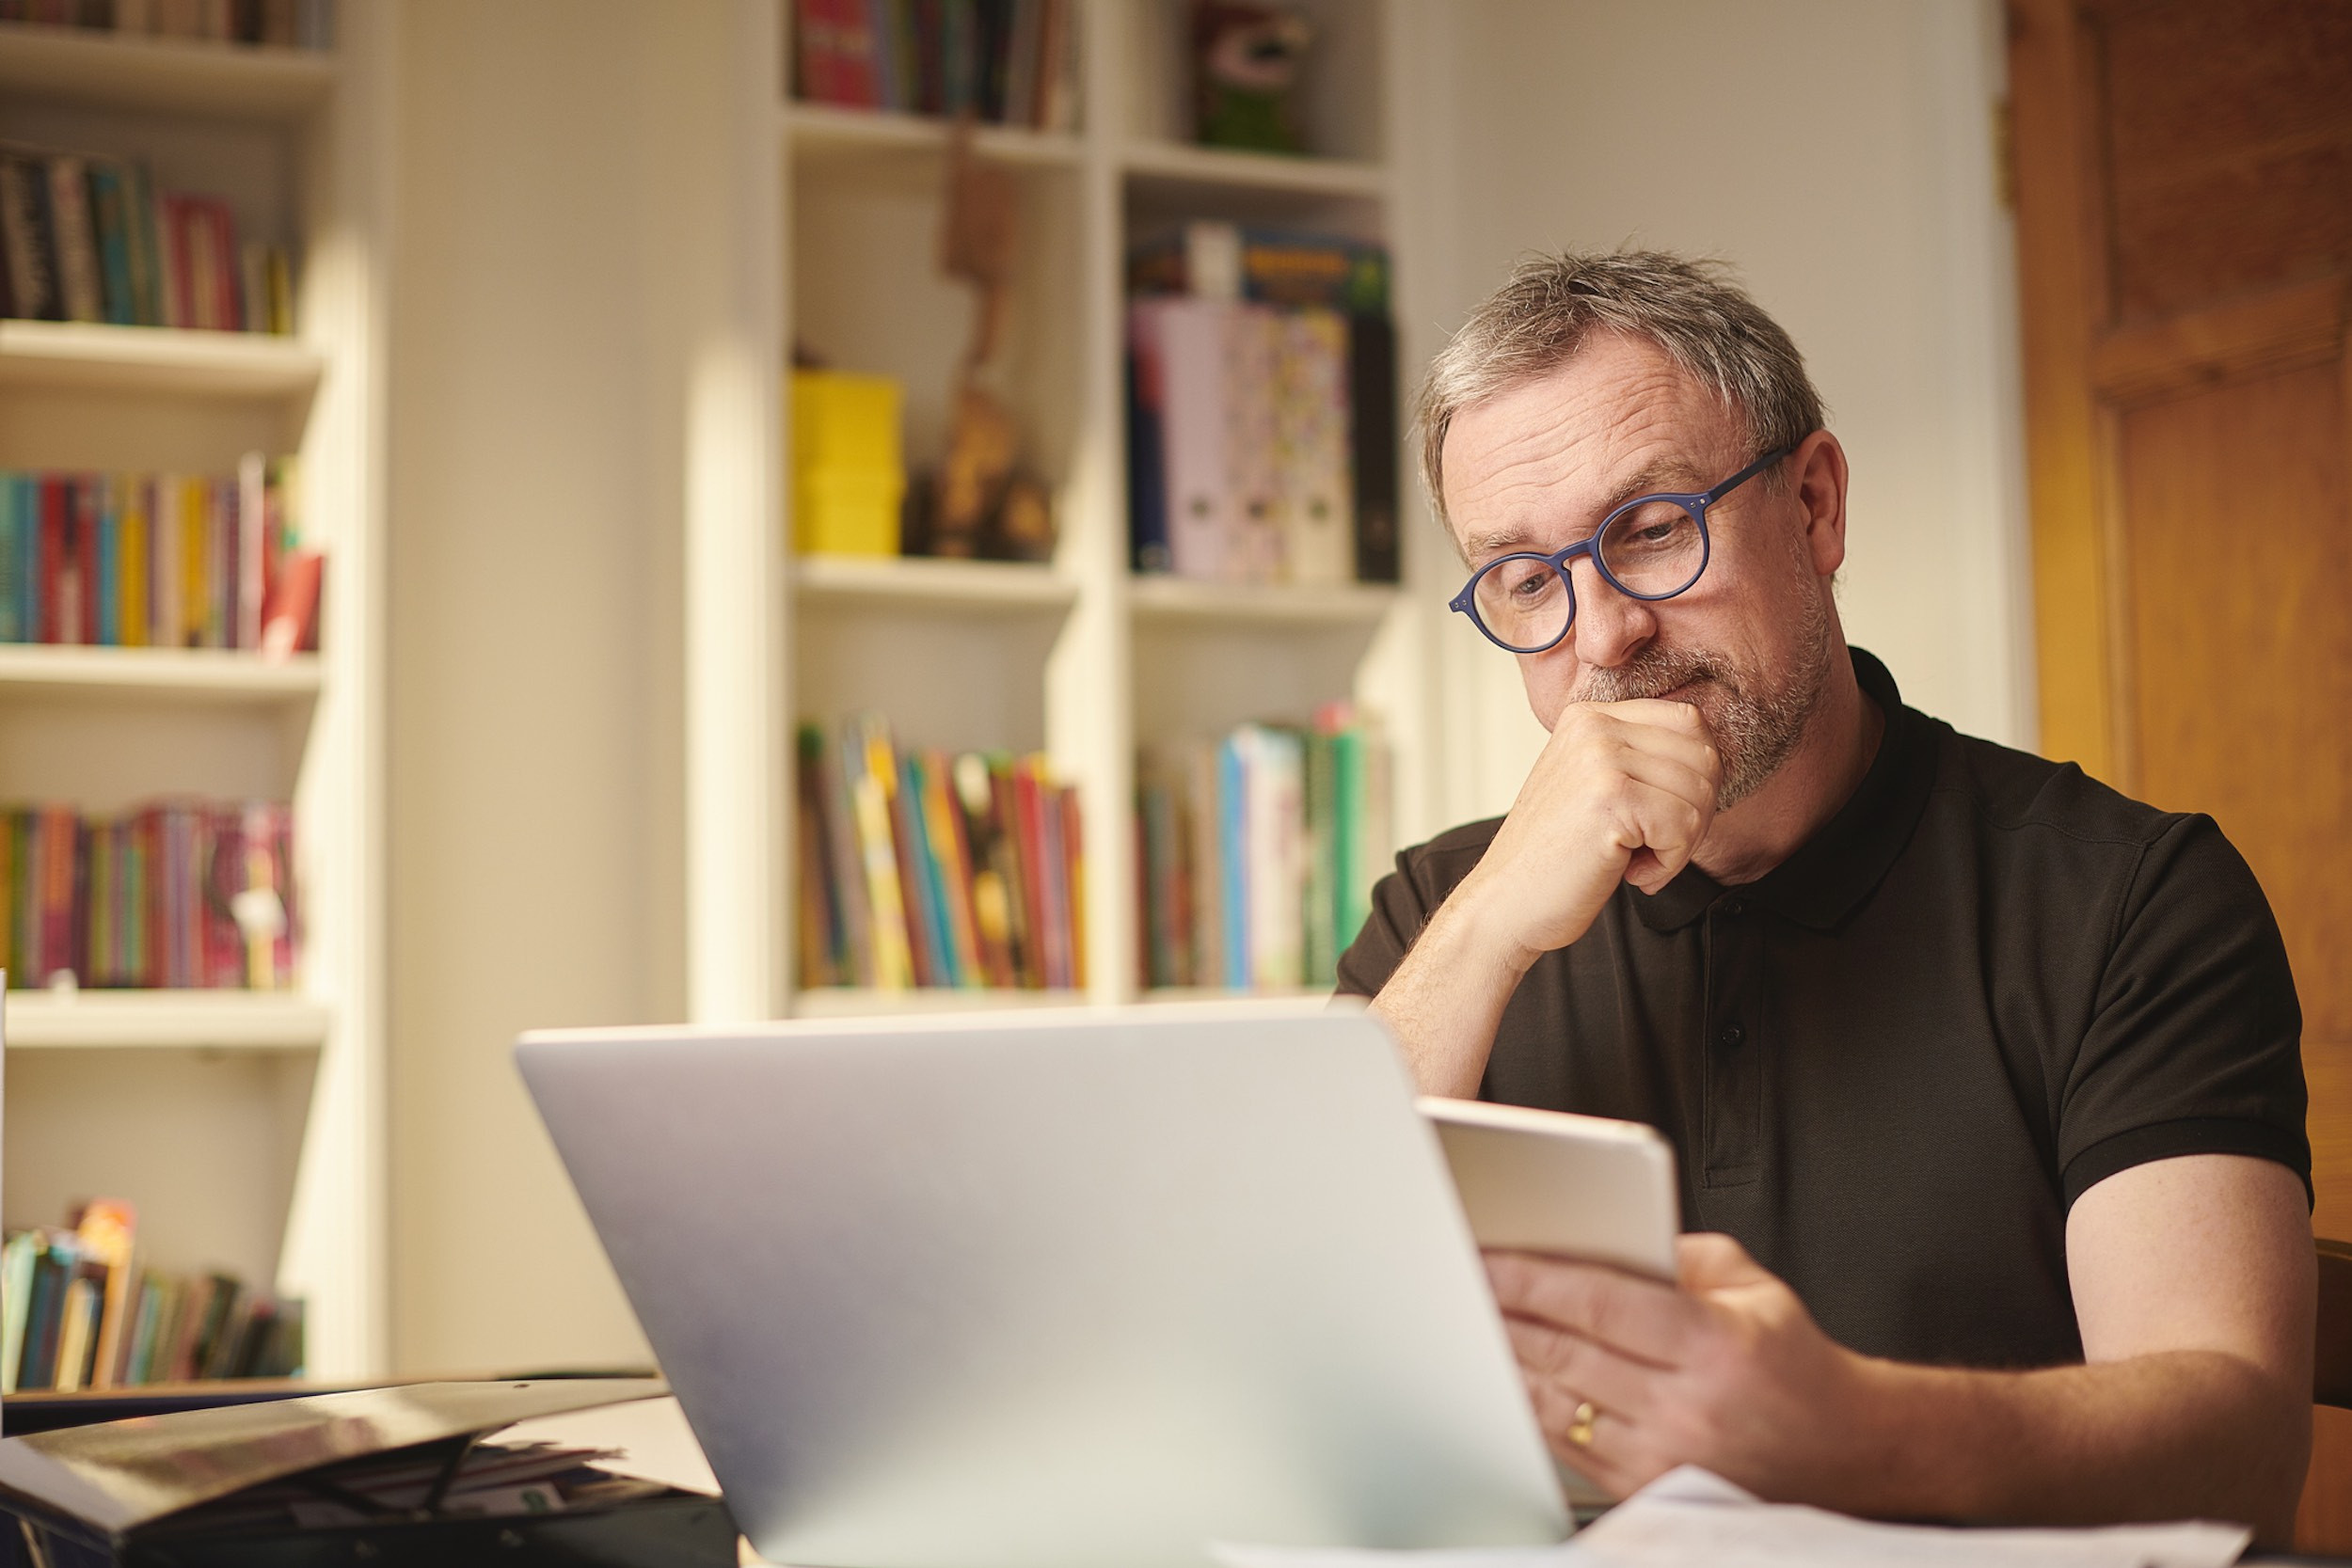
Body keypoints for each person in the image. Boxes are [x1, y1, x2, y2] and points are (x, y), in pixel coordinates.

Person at [1336, 251, 2314, 1543]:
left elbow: (2238, 1450)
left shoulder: (2128, 898)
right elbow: (1282, 1321)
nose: (1603, 635)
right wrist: (1490, 923)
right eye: (1526, 578)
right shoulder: (1443, 911)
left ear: (1815, 506)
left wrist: (1837, 1433)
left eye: (1650, 529)